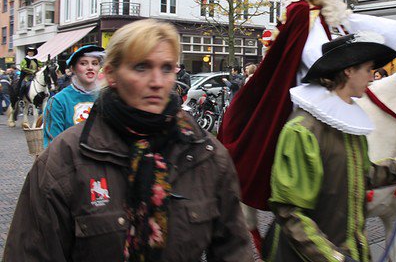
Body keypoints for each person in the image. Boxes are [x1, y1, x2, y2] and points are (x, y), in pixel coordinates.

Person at [3, 19, 253, 262]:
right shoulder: (64, 159)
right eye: (141, 67)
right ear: (111, 75)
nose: (157, 82)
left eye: (167, 68)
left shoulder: (205, 154)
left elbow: (234, 250)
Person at [219, 0, 396, 212]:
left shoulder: (322, 12)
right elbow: (313, 54)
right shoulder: (302, 12)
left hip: (329, 85)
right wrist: (344, 65)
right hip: (307, 90)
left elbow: (355, 20)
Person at [263, 33, 396, 262]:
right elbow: (290, 212)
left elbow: (361, 175)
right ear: (349, 70)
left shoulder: (348, 123)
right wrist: (333, 257)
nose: (372, 76)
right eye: (368, 69)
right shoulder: (303, 130)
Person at [43, 45, 104, 148]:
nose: (90, 67)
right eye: (83, 63)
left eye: (95, 63)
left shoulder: (107, 97)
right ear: (72, 68)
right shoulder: (58, 102)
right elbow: (53, 146)